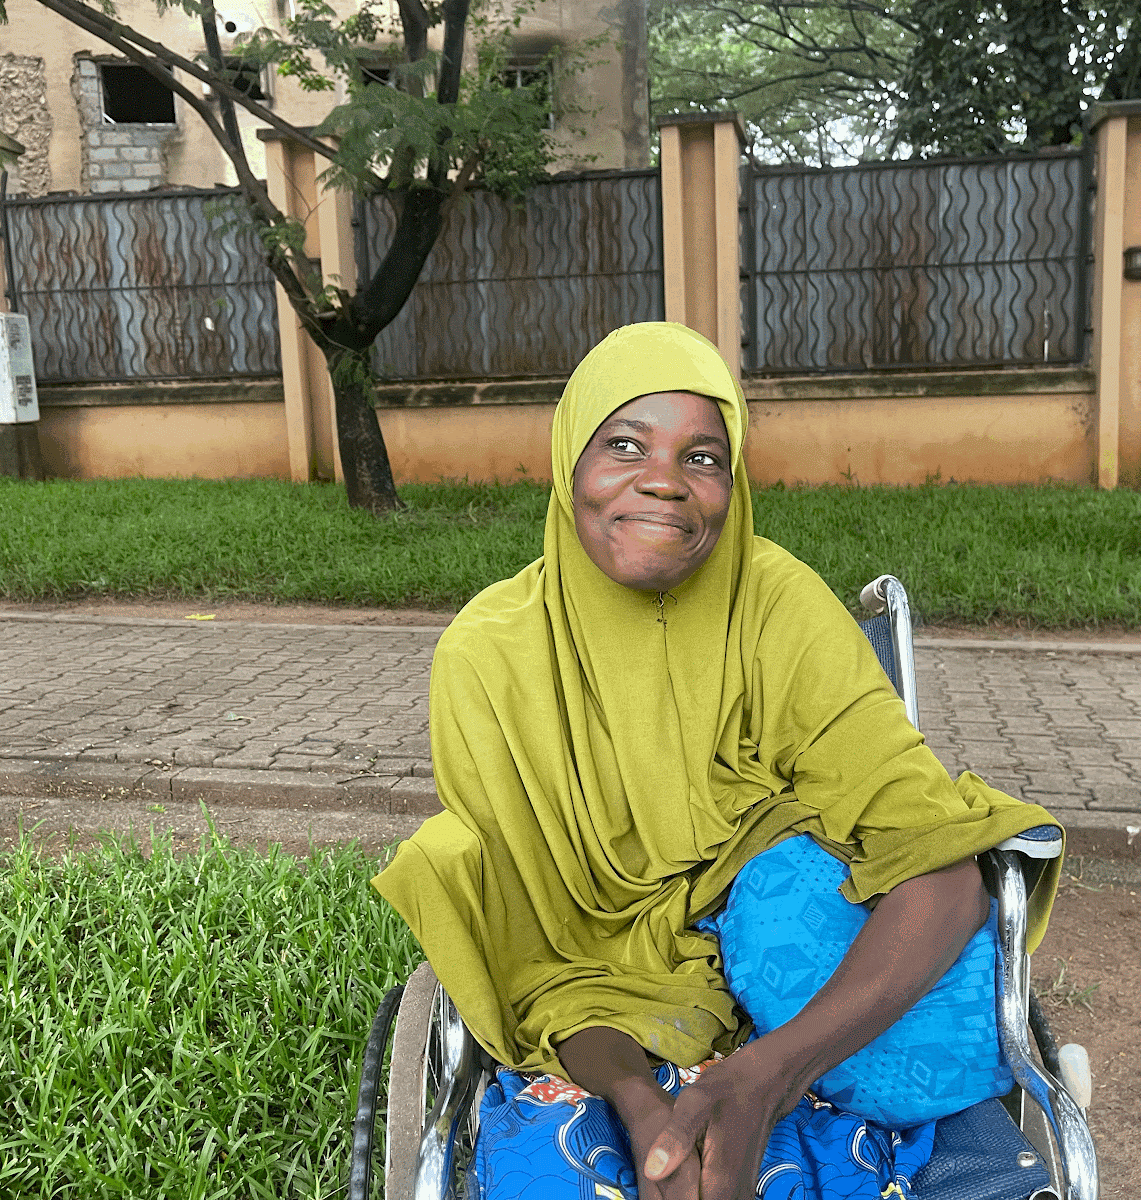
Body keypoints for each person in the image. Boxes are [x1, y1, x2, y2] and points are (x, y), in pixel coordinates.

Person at [373, 322, 1061, 1200]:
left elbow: (942, 862)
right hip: (605, 1031)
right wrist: (640, 1107)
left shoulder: (779, 609)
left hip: (807, 1002)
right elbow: (541, 965)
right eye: (624, 445)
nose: (664, 478)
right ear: (565, 465)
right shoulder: (490, 660)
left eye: (703, 458)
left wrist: (764, 1075)